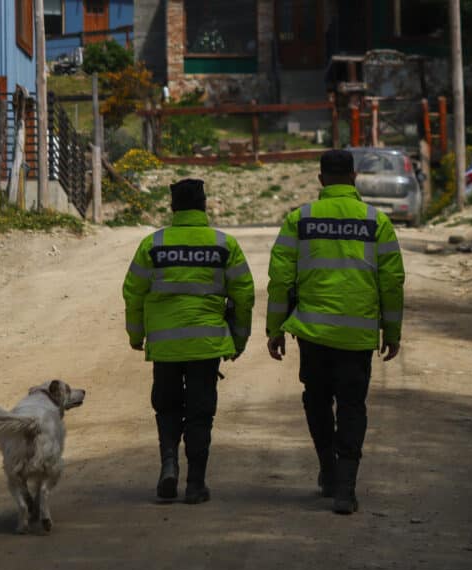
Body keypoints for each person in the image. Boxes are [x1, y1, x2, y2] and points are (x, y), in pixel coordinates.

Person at [266, 150, 405, 514]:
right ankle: (346, 487)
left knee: (316, 400)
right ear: (354, 177)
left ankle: (328, 469)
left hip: (312, 334)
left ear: (321, 179)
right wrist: (392, 331)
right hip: (357, 337)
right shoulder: (377, 221)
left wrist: (275, 328)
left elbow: (280, 279)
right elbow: (392, 282)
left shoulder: (300, 219)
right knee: (352, 406)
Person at [123, 179, 254, 504]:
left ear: (172, 207)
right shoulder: (224, 244)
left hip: (165, 347)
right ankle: (195, 483)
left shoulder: (153, 244)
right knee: (200, 412)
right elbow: (244, 296)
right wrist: (238, 340)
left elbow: (133, 293)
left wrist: (136, 335)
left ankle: (169, 464)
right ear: (204, 205)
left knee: (167, 407)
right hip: (206, 346)